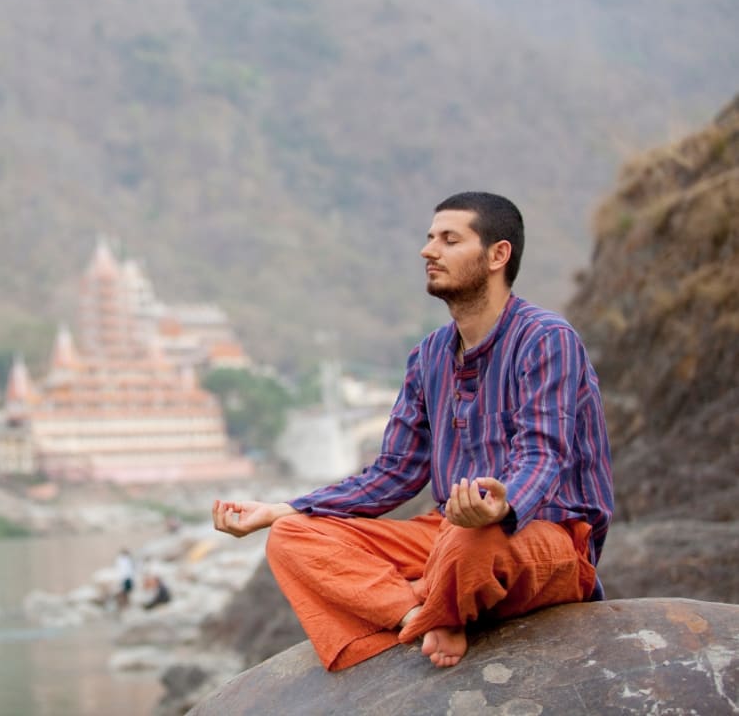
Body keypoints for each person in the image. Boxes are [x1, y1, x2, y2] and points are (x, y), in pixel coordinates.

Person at [212, 191, 613, 670]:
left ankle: (433, 597)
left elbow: (543, 454)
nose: (429, 251)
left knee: (471, 541)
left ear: (497, 255)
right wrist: (284, 509)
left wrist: (501, 505)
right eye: (429, 239)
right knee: (292, 537)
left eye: (449, 239)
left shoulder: (546, 340)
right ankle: (420, 613)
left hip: (540, 535)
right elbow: (394, 472)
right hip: (448, 533)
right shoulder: (429, 357)